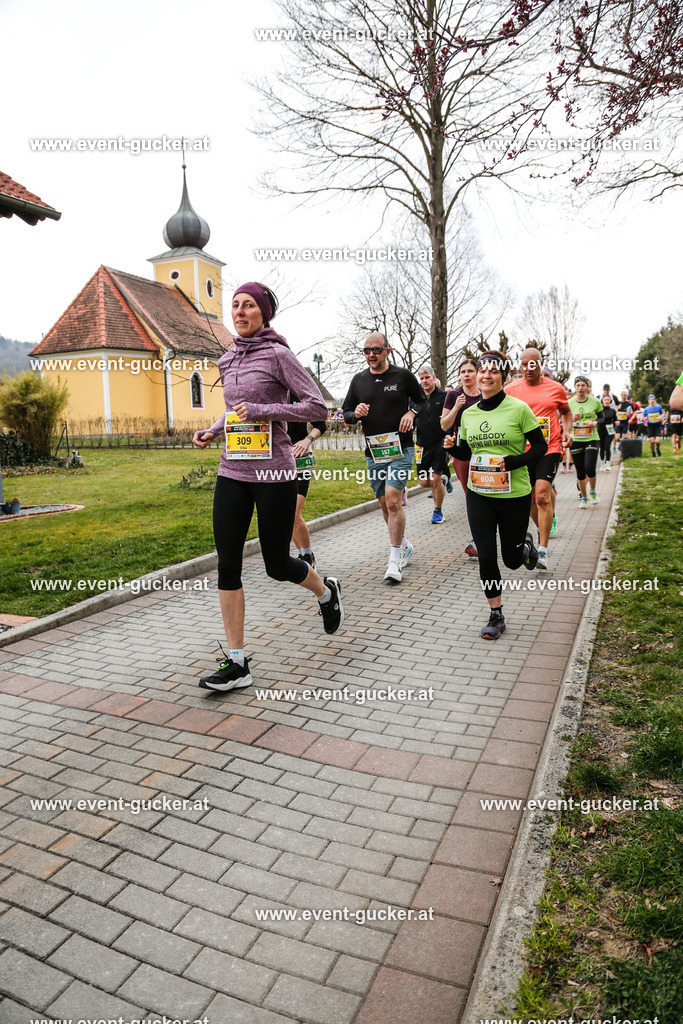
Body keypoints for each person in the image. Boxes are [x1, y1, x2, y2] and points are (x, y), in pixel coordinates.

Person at [192, 282, 343, 692]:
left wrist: (265, 409)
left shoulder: (279, 354)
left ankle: (326, 591)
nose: (239, 312)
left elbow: (315, 406)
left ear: (264, 313)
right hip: (233, 471)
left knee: (277, 564)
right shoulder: (226, 359)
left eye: (248, 306)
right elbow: (233, 411)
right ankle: (237, 663)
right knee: (228, 561)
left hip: (275, 472)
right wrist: (213, 429)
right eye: (235, 306)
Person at [445, 351, 546, 639]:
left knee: (512, 561)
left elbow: (539, 447)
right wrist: (452, 446)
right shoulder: (469, 413)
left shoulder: (519, 409)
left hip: (514, 495)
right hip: (480, 494)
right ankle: (496, 614)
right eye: (482, 371)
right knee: (487, 555)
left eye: (494, 371)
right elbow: (466, 451)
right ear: (476, 375)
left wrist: (514, 461)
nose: (486, 376)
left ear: (503, 376)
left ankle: (525, 544)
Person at [342, 332, 427, 583]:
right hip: (374, 453)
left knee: (392, 500)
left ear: (387, 351)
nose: (371, 355)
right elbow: (346, 413)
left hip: (401, 450)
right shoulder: (359, 381)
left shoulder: (402, 376)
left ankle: (394, 560)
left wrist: (412, 413)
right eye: (366, 351)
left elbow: (423, 402)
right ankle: (404, 544)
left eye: (376, 350)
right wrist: (355, 413)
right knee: (384, 505)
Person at [505, 347, 572, 570]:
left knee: (543, 495)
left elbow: (566, 412)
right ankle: (541, 526)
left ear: (541, 364)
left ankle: (542, 551)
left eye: (533, 364)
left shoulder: (556, 388)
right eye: (524, 364)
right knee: (531, 498)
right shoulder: (510, 389)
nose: (528, 368)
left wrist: (567, 431)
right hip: (521, 450)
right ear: (519, 366)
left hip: (549, 448)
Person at [440, 357, 481, 556]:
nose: (466, 375)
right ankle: (477, 538)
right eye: (463, 371)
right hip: (462, 452)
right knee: (471, 495)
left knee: (486, 493)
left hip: (485, 451)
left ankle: (487, 530)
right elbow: (444, 425)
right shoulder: (453, 395)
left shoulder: (485, 394)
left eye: (470, 371)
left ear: (477, 373)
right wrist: (456, 407)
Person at [287, 393, 327, 567]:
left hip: (300, 459)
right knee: (285, 516)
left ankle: (308, 557)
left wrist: (307, 440)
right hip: (278, 461)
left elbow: (321, 425)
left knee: (294, 512)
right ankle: (304, 555)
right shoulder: (269, 393)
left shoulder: (300, 394)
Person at [414, 365, 450, 524]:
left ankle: (438, 511)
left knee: (435, 477)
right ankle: (442, 482)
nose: (424, 381)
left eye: (427, 377)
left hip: (439, 444)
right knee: (423, 482)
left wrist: (449, 439)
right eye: (421, 378)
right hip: (421, 445)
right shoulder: (415, 398)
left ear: (434, 377)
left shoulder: (444, 396)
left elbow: (450, 419)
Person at [568, 375, 603, 508]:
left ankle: (593, 492)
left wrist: (595, 422)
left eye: (583, 385)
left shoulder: (595, 402)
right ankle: (584, 497)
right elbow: (564, 421)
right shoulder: (569, 403)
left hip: (592, 438)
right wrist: (572, 419)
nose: (580, 388)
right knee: (580, 471)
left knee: (590, 467)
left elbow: (602, 417)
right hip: (576, 439)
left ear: (587, 387)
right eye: (578, 385)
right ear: (575, 387)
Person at [597, 395, 617, 471]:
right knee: (602, 447)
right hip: (601, 429)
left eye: (608, 400)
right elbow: (597, 419)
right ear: (602, 401)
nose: (606, 401)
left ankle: (608, 464)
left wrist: (616, 423)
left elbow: (615, 420)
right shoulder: (599, 410)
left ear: (610, 401)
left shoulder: (612, 411)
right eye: (605, 400)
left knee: (607, 446)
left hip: (610, 429)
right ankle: (602, 464)